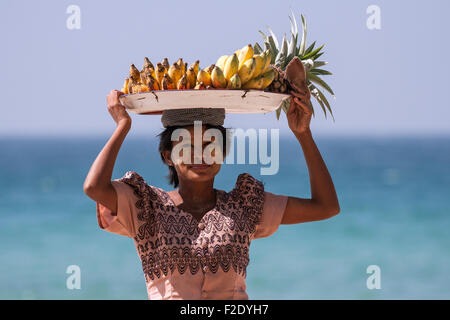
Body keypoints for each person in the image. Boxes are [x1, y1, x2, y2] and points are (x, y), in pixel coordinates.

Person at [83, 88, 340, 300]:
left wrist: (303, 133)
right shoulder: (146, 207)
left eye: (210, 144)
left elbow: (326, 206)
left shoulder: (245, 205)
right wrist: (123, 125)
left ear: (223, 153)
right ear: (167, 156)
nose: (200, 155)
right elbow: (93, 187)